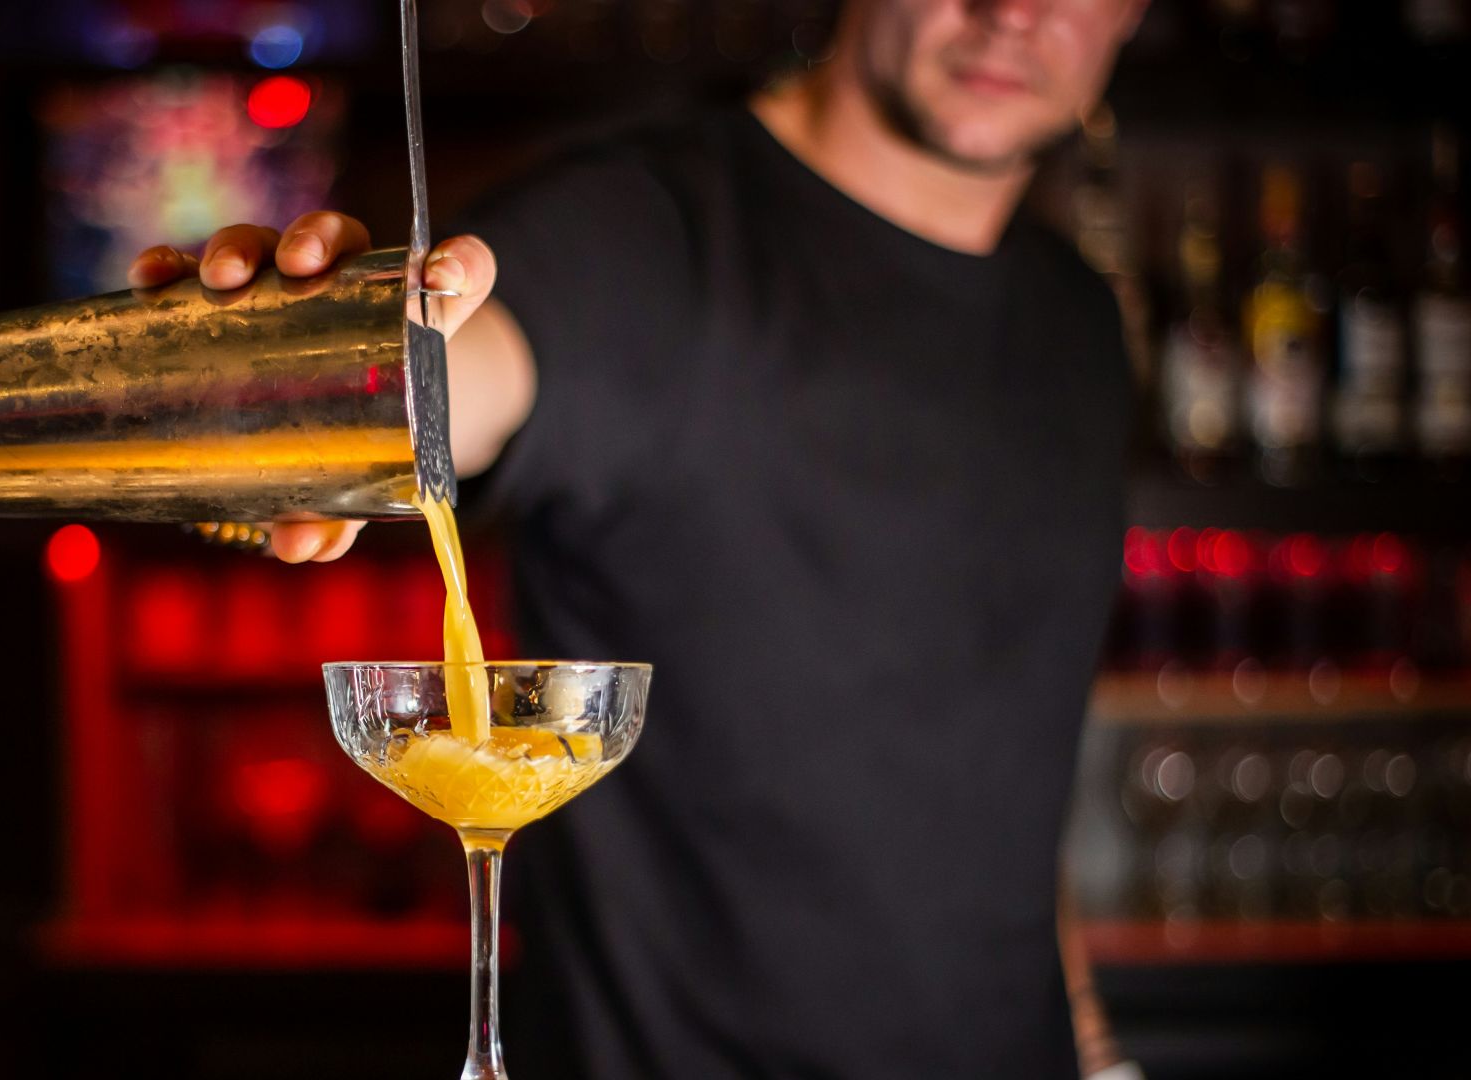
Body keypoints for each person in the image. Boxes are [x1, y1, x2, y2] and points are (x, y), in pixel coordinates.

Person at [130, 0, 1150, 1075]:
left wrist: (1090, 1047)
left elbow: (1004, 768)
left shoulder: (1078, 324)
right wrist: (296, 376)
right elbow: (462, 366)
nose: (1016, 13)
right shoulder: (641, 231)